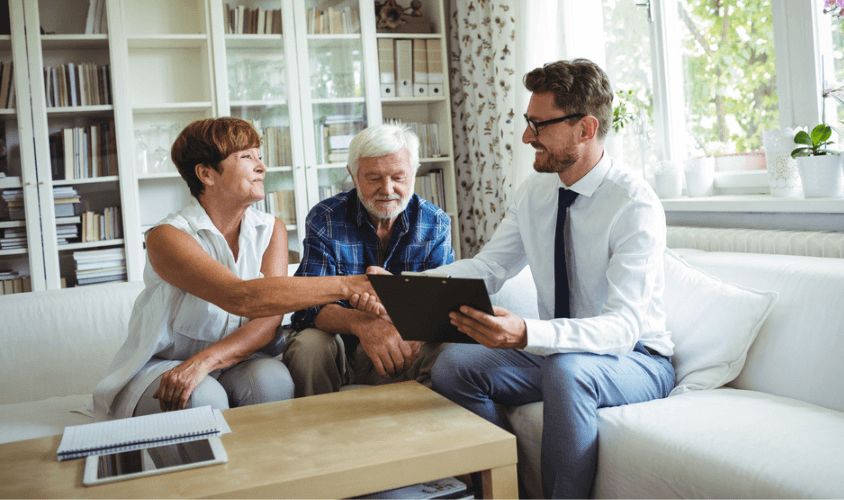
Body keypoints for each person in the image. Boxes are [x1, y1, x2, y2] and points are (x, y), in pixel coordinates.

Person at [429, 59, 675, 498]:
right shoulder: (535, 191)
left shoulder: (633, 203)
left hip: (637, 359)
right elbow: (489, 268)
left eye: (538, 125)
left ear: (585, 129)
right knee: (453, 366)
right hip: (559, 354)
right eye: (528, 122)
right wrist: (405, 282)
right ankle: (505, 491)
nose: (527, 137)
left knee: (566, 370)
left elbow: (622, 329)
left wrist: (526, 331)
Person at [92, 117, 381, 421]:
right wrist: (354, 285)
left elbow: (268, 320)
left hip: (237, 359)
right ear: (206, 174)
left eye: (259, 155)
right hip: (166, 363)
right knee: (202, 397)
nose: (261, 167)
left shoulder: (271, 229)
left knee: (274, 382)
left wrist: (205, 361)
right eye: (246, 157)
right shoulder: (166, 236)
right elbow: (239, 297)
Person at [282, 122, 454, 396]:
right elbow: (308, 308)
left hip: (404, 344)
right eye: (373, 178)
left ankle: (428, 434)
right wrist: (362, 323)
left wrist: (395, 316)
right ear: (353, 174)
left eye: (398, 177)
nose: (387, 190)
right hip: (340, 350)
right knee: (310, 345)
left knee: (450, 349)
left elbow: (442, 307)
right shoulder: (326, 218)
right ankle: (318, 432)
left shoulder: (435, 223)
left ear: (414, 172)